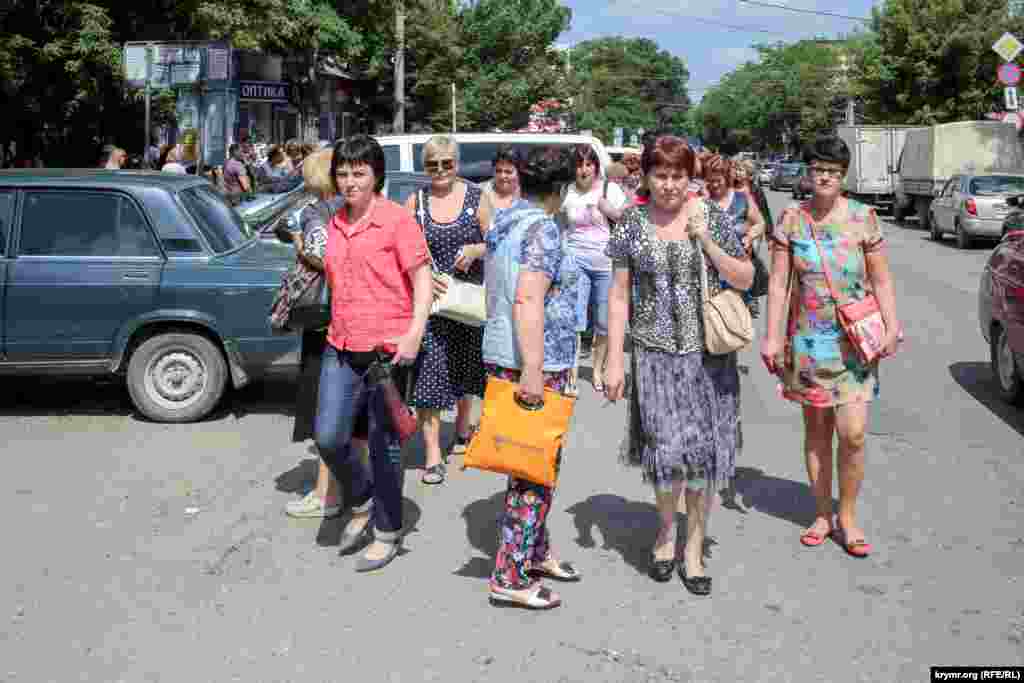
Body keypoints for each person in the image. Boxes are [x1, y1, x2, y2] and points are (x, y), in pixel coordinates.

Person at [604, 136, 753, 596]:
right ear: (647, 177)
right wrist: (613, 359)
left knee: (703, 459)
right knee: (667, 456)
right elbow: (618, 296)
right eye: (661, 175)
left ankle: (694, 546)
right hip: (653, 357)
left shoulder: (712, 217)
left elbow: (746, 277)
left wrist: (705, 239)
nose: (669, 185)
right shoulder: (631, 221)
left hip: (708, 359)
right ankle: (666, 531)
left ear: (691, 178)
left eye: (678, 176)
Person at [760, 136, 901, 558]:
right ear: (809, 172)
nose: (825, 177)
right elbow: (780, 282)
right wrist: (771, 336)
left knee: (852, 434)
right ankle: (823, 514)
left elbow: (881, 279)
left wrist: (892, 324)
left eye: (834, 171)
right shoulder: (791, 219)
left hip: (854, 342)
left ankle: (849, 516)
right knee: (817, 432)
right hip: (807, 339)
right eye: (819, 169)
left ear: (843, 176)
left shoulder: (863, 218)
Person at [315, 134, 433, 572]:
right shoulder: (335, 220)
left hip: (388, 350)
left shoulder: (397, 221)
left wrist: (415, 332)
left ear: (375, 176)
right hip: (341, 344)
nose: (349, 182)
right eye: (343, 173)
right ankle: (361, 496)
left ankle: (387, 530)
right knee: (328, 437)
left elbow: (422, 279)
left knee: (386, 446)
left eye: (359, 173)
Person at [482, 146, 581, 609]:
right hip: (533, 363)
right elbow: (528, 300)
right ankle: (510, 573)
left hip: (511, 355)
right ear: (560, 191)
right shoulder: (542, 229)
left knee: (532, 468)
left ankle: (534, 551)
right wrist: (534, 371)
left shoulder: (509, 220)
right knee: (533, 472)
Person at [281, 149, 370, 519]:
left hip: (327, 320)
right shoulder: (359, 208)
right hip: (362, 319)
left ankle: (326, 495)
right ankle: (357, 490)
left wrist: (300, 245)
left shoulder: (319, 210)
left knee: (326, 411)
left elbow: (323, 257)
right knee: (358, 414)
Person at [403, 135, 491, 485]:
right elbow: (402, 250)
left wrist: (475, 251)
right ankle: (433, 456)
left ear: (457, 163)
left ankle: (463, 430)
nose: (440, 171)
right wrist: (420, 275)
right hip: (432, 306)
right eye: (432, 165)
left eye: (447, 163)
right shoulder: (415, 202)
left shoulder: (476, 198)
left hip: (468, 303)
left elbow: (496, 242)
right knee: (429, 377)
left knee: (467, 371)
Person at [561, 144, 628, 393]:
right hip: (575, 262)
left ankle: (598, 370)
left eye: (589, 164)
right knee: (575, 321)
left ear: (596, 168)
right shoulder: (566, 191)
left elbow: (628, 217)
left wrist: (609, 209)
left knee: (603, 323)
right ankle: (572, 374)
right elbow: (556, 222)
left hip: (606, 264)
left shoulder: (610, 189)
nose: (584, 169)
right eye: (579, 164)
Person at [481, 144, 523, 214]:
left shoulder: (529, 193)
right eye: (498, 171)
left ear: (518, 172)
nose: (502, 176)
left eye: (508, 172)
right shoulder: (478, 193)